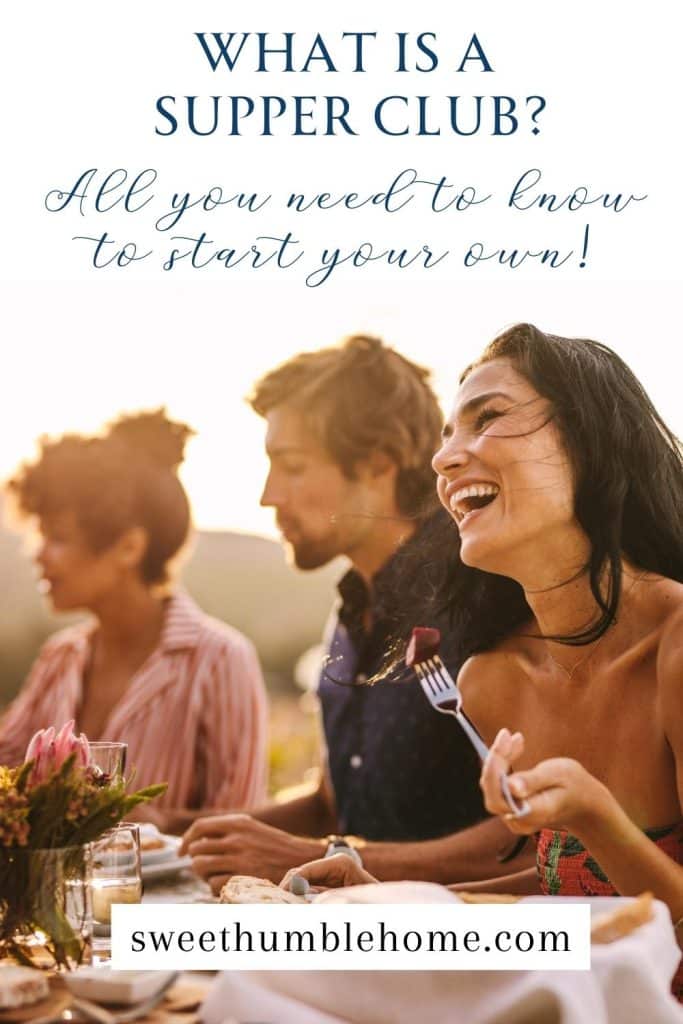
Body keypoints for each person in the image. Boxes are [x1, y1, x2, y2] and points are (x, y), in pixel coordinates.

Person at [283, 324, 683, 995]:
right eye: (444, 437)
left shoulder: (674, 645)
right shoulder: (491, 679)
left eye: (487, 418)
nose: (445, 461)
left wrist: (593, 813)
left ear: (588, 439)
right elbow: (566, 891)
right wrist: (389, 896)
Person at [182, 334, 534, 891]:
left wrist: (321, 854)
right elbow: (332, 802)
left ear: (379, 463)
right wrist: (184, 834)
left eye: (291, 466)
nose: (268, 495)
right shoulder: (350, 610)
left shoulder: (489, 595)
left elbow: (533, 837)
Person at [0, 409, 268, 832]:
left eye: (57, 537)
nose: (37, 553)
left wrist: (156, 824)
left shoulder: (220, 659)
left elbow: (240, 829)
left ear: (128, 547)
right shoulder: (60, 658)